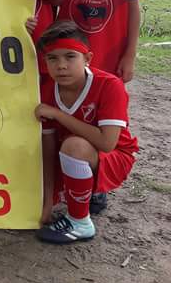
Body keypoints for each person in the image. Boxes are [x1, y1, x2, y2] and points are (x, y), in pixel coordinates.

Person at [34, 21, 138, 244]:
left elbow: (107, 143)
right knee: (58, 148)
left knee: (75, 146)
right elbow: (48, 149)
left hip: (113, 155)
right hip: (67, 153)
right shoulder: (46, 89)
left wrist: (58, 114)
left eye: (70, 56)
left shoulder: (110, 85)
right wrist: (47, 203)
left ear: (88, 58)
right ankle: (81, 189)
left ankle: (80, 222)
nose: (61, 66)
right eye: (52, 58)